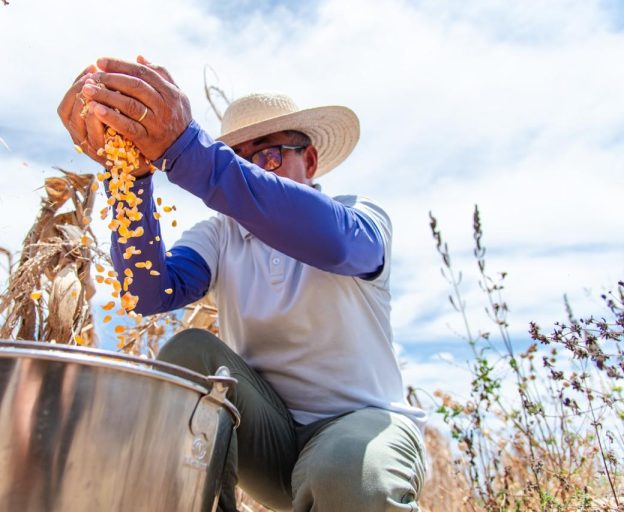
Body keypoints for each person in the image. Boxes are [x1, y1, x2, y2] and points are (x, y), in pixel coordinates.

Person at [58, 56, 428, 512]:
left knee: (346, 473)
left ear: (309, 160)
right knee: (190, 355)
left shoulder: (360, 218)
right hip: (268, 444)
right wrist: (128, 179)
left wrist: (191, 153)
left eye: (268, 157)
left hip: (361, 427)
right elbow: (147, 291)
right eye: (239, 162)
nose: (253, 172)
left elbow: (335, 244)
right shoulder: (219, 236)